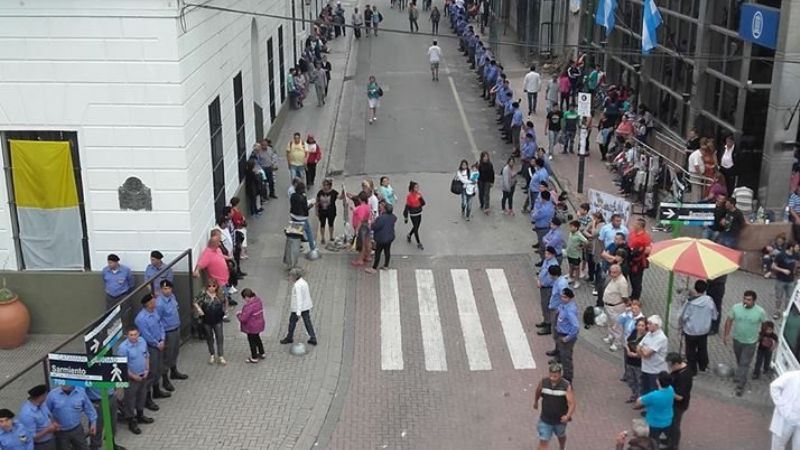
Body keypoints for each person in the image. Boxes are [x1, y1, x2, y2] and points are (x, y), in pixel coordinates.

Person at [723, 290, 767, 396]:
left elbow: (764, 324)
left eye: (748, 300)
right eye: (744, 299)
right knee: (739, 360)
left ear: (754, 301)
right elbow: (729, 320)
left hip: (750, 343)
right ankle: (740, 374)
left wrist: (761, 337)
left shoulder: (760, 311)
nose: (745, 301)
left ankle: (741, 385)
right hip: (737, 340)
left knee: (744, 362)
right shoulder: (736, 308)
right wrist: (726, 335)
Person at [134, 293, 171, 405]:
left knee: (159, 369)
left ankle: (156, 390)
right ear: (148, 304)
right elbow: (146, 334)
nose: (155, 302)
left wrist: (163, 339)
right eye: (153, 301)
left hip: (160, 343)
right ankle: (146, 398)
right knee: (151, 372)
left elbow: (160, 326)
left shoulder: (154, 312)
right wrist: (157, 343)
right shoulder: (141, 319)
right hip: (151, 347)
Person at [116, 327, 153, 435]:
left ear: (138, 334)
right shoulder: (123, 348)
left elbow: (146, 356)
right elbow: (123, 366)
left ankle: (140, 415)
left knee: (142, 395)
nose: (133, 337)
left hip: (143, 375)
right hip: (131, 378)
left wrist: (147, 369)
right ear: (127, 336)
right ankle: (131, 421)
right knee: (130, 400)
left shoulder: (142, 341)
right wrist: (133, 376)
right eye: (131, 335)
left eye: (135, 334)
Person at [679, 280, 718, 376]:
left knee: (690, 350)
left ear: (695, 288)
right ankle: (703, 365)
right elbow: (714, 316)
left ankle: (692, 369)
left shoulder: (690, 302)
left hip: (691, 331)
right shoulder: (709, 300)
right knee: (702, 348)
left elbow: (683, 316)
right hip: (704, 330)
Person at [533, 363, 575, 450]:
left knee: (561, 435)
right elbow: (538, 391)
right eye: (551, 375)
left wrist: (568, 416)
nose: (552, 378)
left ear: (560, 375)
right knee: (543, 441)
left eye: (555, 376)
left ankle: (562, 447)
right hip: (545, 419)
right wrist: (536, 401)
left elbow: (572, 403)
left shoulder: (566, 386)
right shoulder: (543, 382)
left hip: (559, 420)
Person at [156, 279, 188, 384]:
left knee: (175, 352)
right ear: (161, 290)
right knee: (167, 355)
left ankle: (174, 371)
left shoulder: (172, 297)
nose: (168, 291)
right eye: (165, 289)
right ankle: (165, 378)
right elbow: (158, 320)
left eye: (169, 288)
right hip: (167, 332)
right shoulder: (159, 303)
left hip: (176, 328)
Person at [193, 280, 228, 365]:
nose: (211, 288)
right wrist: (199, 309)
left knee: (220, 337)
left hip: (218, 319)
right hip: (207, 320)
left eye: (213, 286)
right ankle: (212, 354)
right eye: (209, 286)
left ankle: (221, 355)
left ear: (216, 287)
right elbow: (195, 301)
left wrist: (225, 311)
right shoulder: (203, 294)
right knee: (209, 337)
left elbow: (225, 301)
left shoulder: (220, 294)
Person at [280, 268, 317, 345]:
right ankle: (313, 337)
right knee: (307, 322)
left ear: (294, 276)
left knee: (292, 322)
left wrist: (298, 312)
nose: (289, 277)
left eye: (290, 276)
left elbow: (299, 299)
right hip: (306, 306)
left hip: (298, 308)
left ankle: (289, 337)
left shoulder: (297, 286)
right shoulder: (303, 282)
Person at [635, 371, 675, 442]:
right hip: (667, 420)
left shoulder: (653, 395)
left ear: (658, 381)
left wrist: (640, 399)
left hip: (654, 422)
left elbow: (638, 402)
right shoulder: (671, 389)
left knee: (653, 441)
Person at [18, 385, 57, 450]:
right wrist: (48, 430)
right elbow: (30, 437)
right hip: (40, 445)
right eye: (45, 395)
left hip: (50, 440)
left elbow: (48, 415)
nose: (46, 397)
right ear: (41, 396)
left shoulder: (42, 404)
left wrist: (53, 423)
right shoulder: (27, 414)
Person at [666, 353, 693, 450]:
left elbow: (680, 397)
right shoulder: (679, 369)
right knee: (670, 422)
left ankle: (673, 445)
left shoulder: (684, 377)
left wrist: (666, 391)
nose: (669, 368)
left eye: (671, 365)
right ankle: (669, 439)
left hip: (679, 405)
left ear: (677, 364)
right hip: (673, 402)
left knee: (674, 424)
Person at [769, 370, 800, 450]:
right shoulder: (791, 376)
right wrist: (781, 405)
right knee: (778, 445)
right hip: (786, 418)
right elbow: (774, 386)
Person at [637, 315, 668, 395]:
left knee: (653, 391)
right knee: (644, 389)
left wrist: (643, 349)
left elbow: (647, 354)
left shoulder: (661, 338)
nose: (648, 326)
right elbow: (638, 347)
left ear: (656, 325)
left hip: (655, 370)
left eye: (650, 324)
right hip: (645, 367)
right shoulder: (648, 334)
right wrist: (643, 350)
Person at [554, 288, 580, 382]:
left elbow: (576, 327)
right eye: (561, 296)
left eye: (565, 297)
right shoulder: (563, 305)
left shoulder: (570, 310)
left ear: (570, 298)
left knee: (566, 358)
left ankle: (568, 379)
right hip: (560, 332)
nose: (562, 298)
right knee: (563, 355)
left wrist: (568, 338)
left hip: (566, 336)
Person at [602, 264, 630, 351]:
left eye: (615, 273)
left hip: (616, 307)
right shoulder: (614, 279)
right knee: (610, 323)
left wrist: (626, 306)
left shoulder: (622, 282)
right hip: (609, 306)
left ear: (619, 272)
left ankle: (617, 343)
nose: (612, 274)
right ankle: (611, 336)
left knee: (617, 326)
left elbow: (625, 296)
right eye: (611, 272)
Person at [237, 288, 266, 363]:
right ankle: (262, 352)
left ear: (246, 297)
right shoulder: (258, 301)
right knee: (257, 338)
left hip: (251, 327)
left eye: (244, 298)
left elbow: (243, 319)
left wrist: (238, 315)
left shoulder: (248, 306)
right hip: (259, 324)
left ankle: (254, 357)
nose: (244, 300)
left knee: (252, 341)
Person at [367, 203, 397, 274]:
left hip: (381, 238)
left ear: (385, 210)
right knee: (387, 251)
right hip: (390, 237)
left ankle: (374, 268)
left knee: (378, 252)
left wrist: (372, 223)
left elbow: (375, 227)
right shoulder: (393, 217)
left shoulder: (381, 218)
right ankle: (386, 265)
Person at [290, 181, 318, 253]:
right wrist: (311, 205)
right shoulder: (303, 197)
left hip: (293, 216)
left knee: (296, 233)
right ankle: (313, 248)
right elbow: (305, 208)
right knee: (309, 232)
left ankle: (296, 247)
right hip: (302, 218)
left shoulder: (293, 195)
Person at [536, 247, 559, 332]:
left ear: (552, 254)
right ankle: (545, 321)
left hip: (548, 288)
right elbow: (542, 271)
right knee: (543, 304)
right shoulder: (546, 261)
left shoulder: (553, 264)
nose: (546, 255)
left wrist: (542, 283)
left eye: (548, 254)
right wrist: (539, 279)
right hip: (542, 286)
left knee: (547, 306)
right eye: (546, 253)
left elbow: (550, 278)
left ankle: (549, 325)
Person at [627, 218, 651, 300]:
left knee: (637, 280)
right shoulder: (633, 233)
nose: (634, 225)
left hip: (639, 262)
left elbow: (648, 250)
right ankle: (633, 295)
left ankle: (636, 298)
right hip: (631, 259)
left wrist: (639, 251)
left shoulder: (645, 237)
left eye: (636, 224)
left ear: (640, 226)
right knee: (631, 278)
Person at [772, 243, 798, 320]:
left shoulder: (796, 255)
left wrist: (795, 270)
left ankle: (786, 312)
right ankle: (777, 311)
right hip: (780, 280)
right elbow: (773, 266)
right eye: (797, 247)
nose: (798, 248)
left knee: (789, 297)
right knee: (779, 297)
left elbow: (796, 263)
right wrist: (783, 270)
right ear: (791, 248)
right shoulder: (781, 255)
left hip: (791, 280)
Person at [624, 318, 647, 403]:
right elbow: (627, 342)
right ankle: (634, 394)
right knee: (631, 380)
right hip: (630, 361)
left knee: (639, 381)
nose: (640, 327)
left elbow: (645, 351)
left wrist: (636, 355)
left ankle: (640, 399)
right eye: (638, 325)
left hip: (639, 363)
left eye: (642, 326)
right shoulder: (634, 332)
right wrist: (628, 351)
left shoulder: (646, 337)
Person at [402, 181, 426, 250]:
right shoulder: (409, 196)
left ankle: (409, 235)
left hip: (419, 213)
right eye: (416, 187)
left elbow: (423, 203)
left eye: (418, 187)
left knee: (416, 227)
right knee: (416, 228)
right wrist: (406, 217)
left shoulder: (419, 194)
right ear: (412, 188)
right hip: (413, 214)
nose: (417, 188)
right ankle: (419, 243)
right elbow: (407, 207)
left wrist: (420, 198)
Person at [316, 179, 339, 245]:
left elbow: (339, 197)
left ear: (329, 185)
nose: (325, 186)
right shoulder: (320, 192)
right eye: (324, 185)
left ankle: (331, 236)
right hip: (322, 211)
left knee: (331, 224)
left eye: (327, 185)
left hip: (331, 211)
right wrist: (316, 210)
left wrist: (343, 193)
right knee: (322, 224)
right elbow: (317, 201)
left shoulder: (333, 192)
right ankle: (322, 238)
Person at [565, 220, 588, 289]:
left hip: (576, 255)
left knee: (577, 268)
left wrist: (581, 247)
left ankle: (577, 281)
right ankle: (571, 277)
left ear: (576, 228)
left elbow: (586, 242)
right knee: (571, 265)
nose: (570, 228)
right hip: (569, 253)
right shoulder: (571, 233)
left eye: (571, 227)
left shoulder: (579, 235)